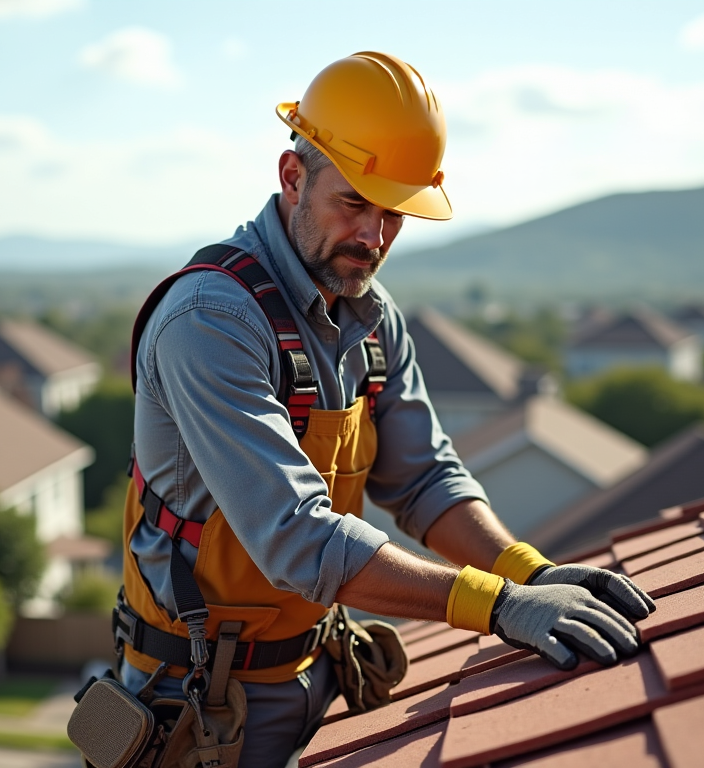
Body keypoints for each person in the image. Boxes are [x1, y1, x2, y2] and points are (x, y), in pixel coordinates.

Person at [115, 52, 655, 768]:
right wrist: (496, 606)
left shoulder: (370, 319)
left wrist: (530, 573)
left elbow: (426, 481)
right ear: (292, 176)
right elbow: (297, 537)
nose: (374, 238)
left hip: (321, 668)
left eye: (393, 213)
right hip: (200, 703)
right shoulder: (211, 321)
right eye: (354, 203)